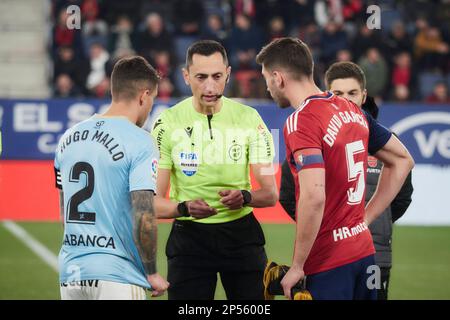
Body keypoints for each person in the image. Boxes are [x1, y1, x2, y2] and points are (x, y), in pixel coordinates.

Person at [256, 37, 414, 300]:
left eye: (266, 79)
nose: (268, 88)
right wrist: (363, 220)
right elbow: (402, 160)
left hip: (329, 262)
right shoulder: (352, 110)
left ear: (278, 78)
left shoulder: (301, 121)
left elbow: (314, 196)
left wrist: (297, 266)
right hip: (364, 254)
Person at [151, 40, 278, 300]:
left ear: (228, 74)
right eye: (201, 77)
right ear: (186, 76)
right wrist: (183, 208)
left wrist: (245, 197)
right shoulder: (166, 123)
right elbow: (151, 202)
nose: (210, 86)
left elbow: (270, 194)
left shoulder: (250, 119)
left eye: (217, 76)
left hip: (241, 236)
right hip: (189, 241)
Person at [54, 56, 169, 300]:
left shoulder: (68, 138)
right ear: (143, 95)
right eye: (153, 99)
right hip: (117, 275)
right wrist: (151, 272)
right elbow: (144, 212)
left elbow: (64, 212)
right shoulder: (140, 141)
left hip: (71, 272)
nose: (150, 107)